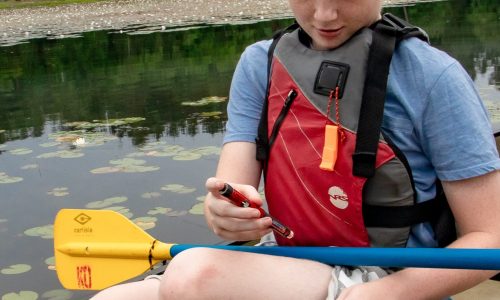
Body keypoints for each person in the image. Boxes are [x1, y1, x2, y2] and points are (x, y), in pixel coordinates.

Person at [92, 0, 500, 299]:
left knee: (194, 274)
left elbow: (491, 238)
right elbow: (232, 190)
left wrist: (382, 295)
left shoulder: (433, 76)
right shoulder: (258, 64)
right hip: (290, 262)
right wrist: (226, 215)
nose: (325, 15)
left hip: (395, 280)